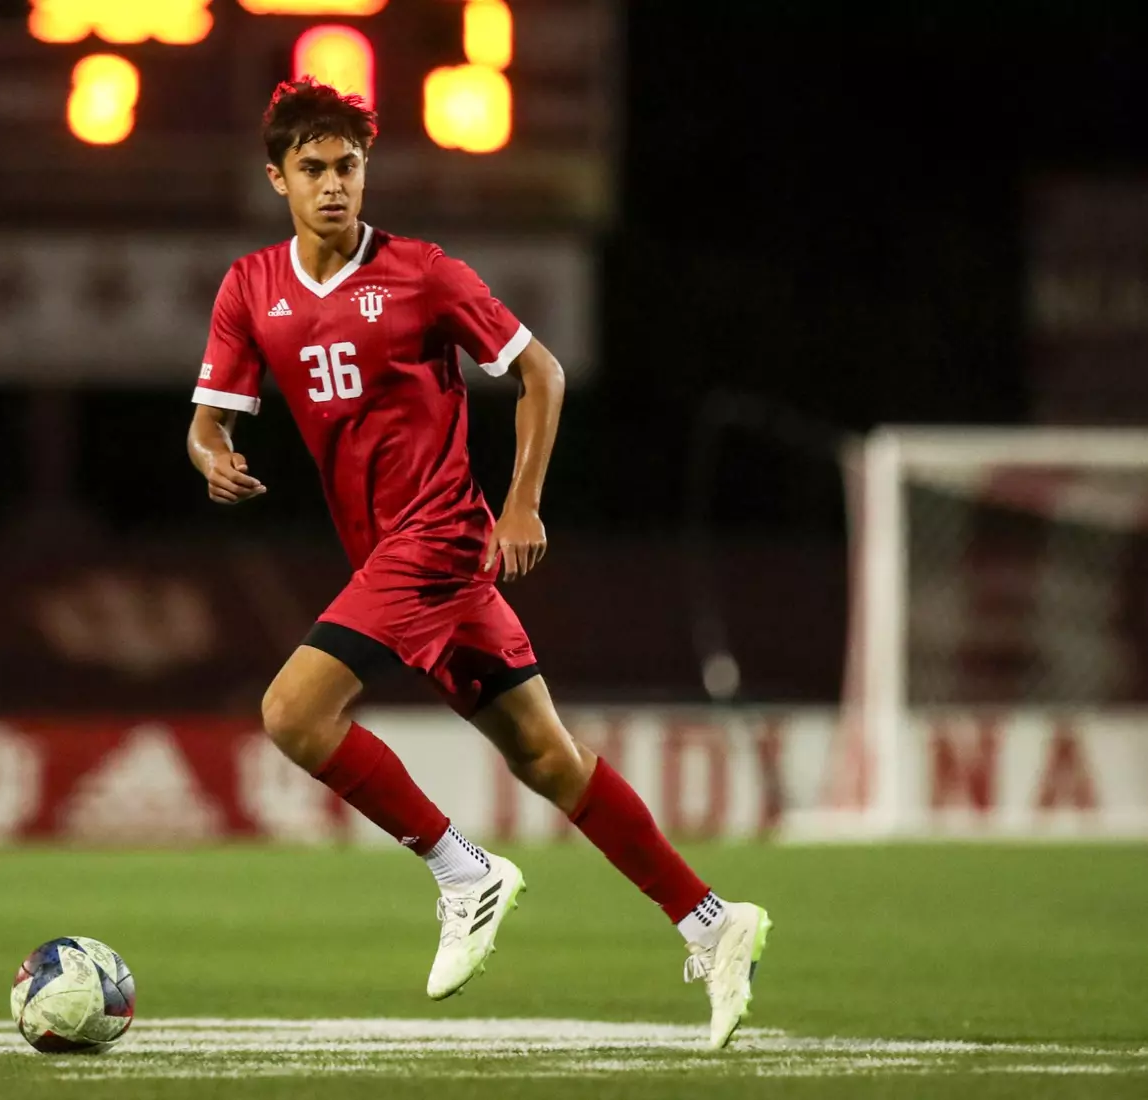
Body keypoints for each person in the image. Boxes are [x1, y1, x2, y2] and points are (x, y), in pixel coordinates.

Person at [185, 78, 771, 1048]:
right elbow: (209, 421)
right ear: (277, 178)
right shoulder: (251, 287)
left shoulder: (422, 272)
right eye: (313, 168)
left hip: (439, 535)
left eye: (348, 165)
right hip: (392, 554)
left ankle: (464, 871)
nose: (334, 184)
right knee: (546, 757)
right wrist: (212, 456)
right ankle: (712, 921)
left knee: (291, 712)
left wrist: (523, 499)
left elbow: (542, 372)